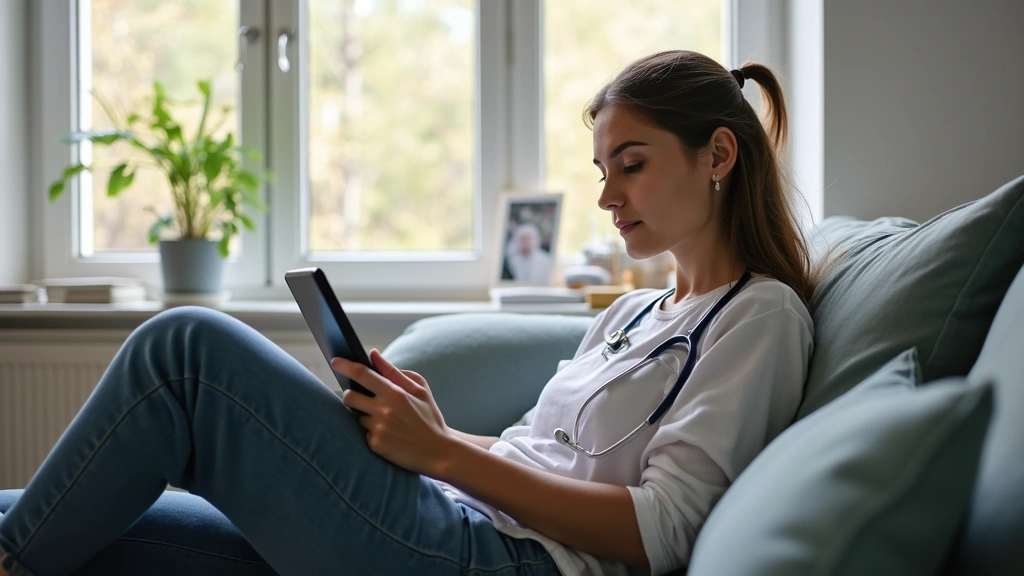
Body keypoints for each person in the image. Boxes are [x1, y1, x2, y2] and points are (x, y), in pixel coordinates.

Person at [0, 50, 815, 576]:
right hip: (456, 514)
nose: (605, 196)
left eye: (630, 165)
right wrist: (438, 434)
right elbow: (547, 455)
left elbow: (664, 532)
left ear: (718, 154)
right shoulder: (633, 312)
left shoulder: (759, 318)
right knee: (33, 515)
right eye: (602, 168)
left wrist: (447, 459)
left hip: (494, 559)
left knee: (184, 350)